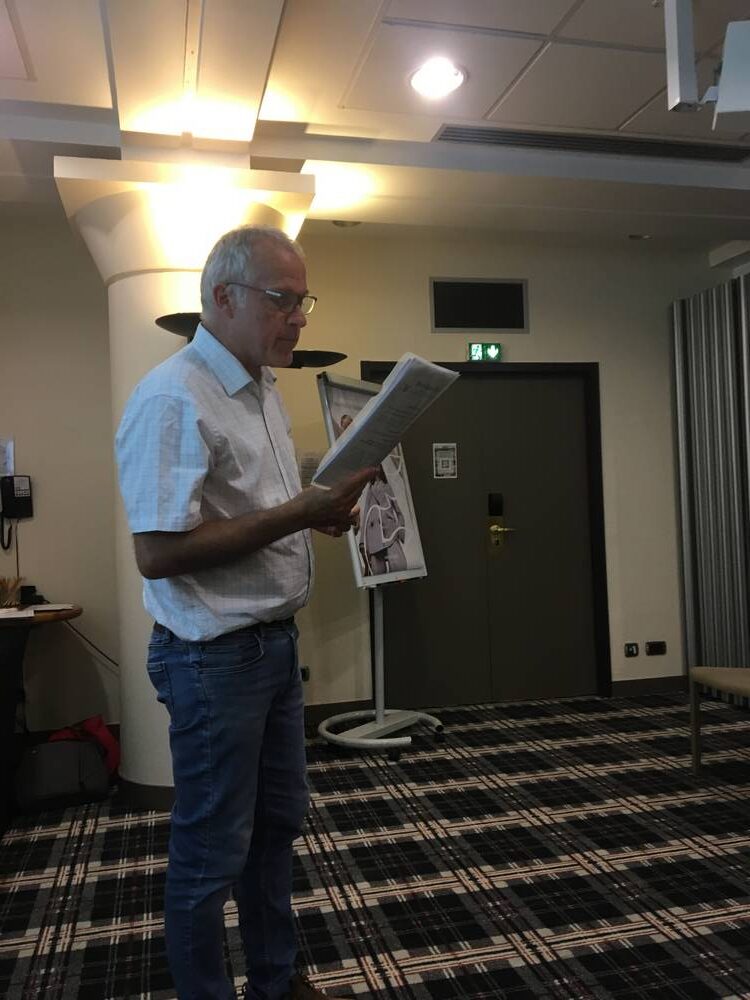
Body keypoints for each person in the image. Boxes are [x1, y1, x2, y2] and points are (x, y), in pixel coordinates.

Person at [115, 224, 375, 1000]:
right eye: (281, 299)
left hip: (271, 649)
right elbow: (158, 552)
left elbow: (250, 513)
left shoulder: (260, 388)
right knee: (211, 853)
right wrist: (299, 512)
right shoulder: (173, 397)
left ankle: (275, 981)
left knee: (277, 829)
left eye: (303, 301)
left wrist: (314, 516)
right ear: (222, 297)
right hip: (212, 660)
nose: (297, 318)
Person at [359, 462, 407, 576]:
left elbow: (398, 511)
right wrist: (362, 541)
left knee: (399, 567)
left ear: (380, 468)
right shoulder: (370, 490)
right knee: (378, 572)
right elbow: (366, 514)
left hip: (389, 531)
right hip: (373, 535)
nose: (375, 470)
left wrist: (399, 529)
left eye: (377, 466)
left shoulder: (387, 486)